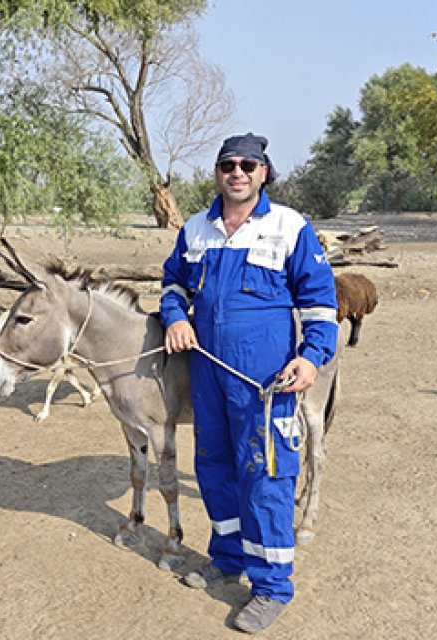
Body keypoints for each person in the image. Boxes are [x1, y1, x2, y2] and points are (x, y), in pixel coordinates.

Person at [160, 132, 338, 633]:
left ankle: (272, 587)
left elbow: (320, 304)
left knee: (266, 476)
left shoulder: (290, 227)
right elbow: (172, 284)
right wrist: (175, 317)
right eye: (227, 165)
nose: (236, 173)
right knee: (214, 467)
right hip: (208, 377)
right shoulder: (195, 229)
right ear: (217, 173)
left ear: (264, 173)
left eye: (247, 165)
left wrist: (312, 359)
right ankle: (228, 558)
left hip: (266, 382)